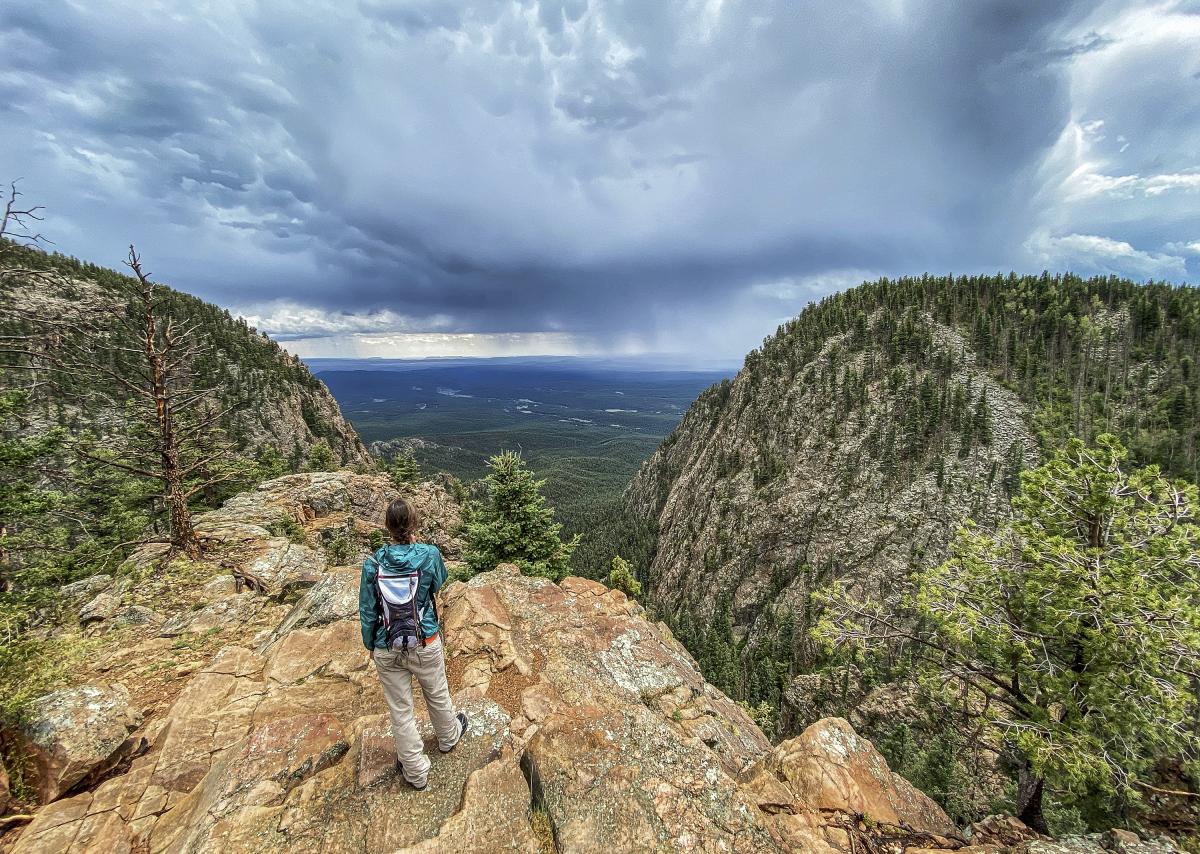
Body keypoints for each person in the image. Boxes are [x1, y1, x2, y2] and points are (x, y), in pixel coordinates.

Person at [359, 497, 467, 790]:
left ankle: (416, 770)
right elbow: (438, 584)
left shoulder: (373, 563)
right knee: (437, 692)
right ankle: (448, 737)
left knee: (401, 710)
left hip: (387, 644)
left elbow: (368, 610)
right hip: (424, 639)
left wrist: (371, 644)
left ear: (387, 527)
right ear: (414, 524)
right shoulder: (429, 555)